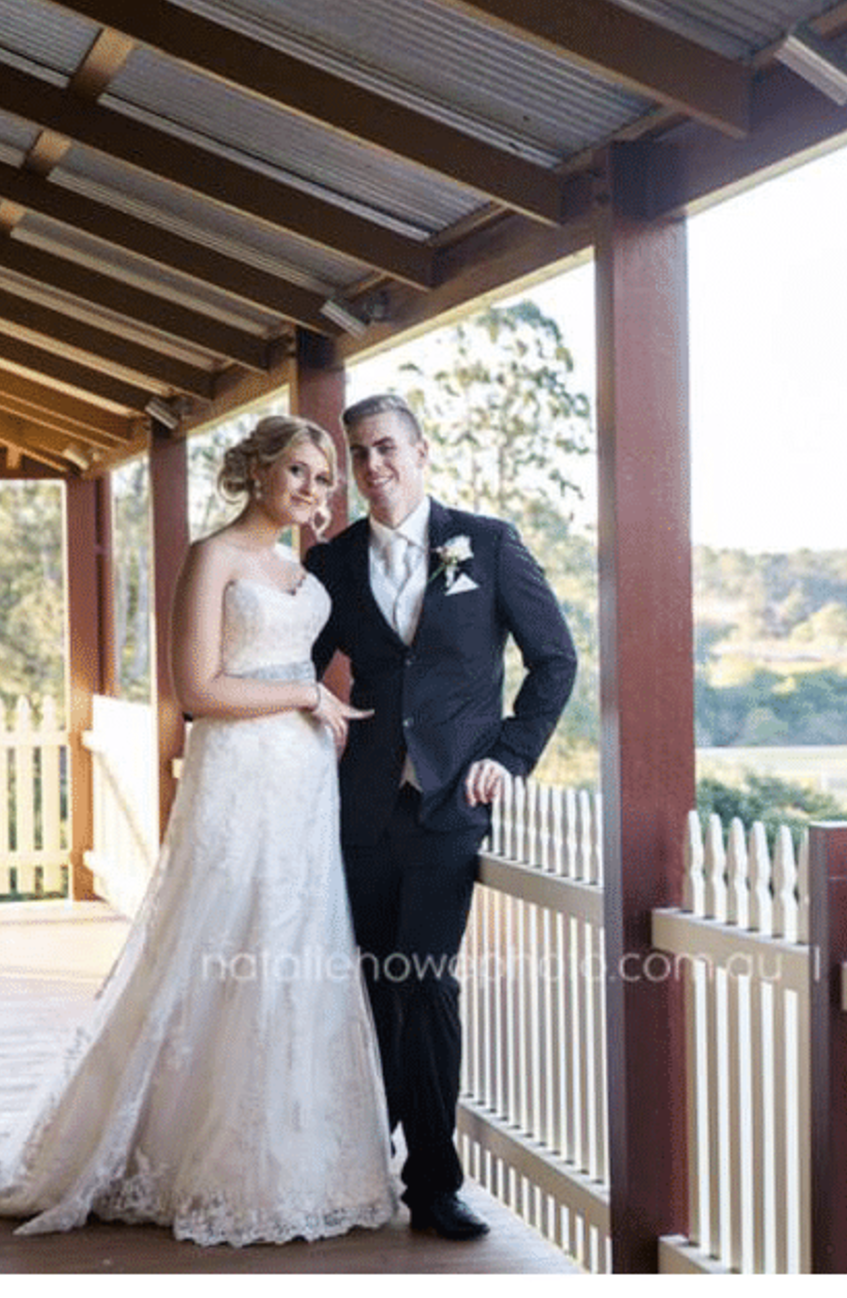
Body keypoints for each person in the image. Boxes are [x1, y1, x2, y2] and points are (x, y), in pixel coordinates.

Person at [0, 415, 398, 1246]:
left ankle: (298, 1158)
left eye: (325, 479)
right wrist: (304, 696)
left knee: (295, 945)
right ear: (258, 470)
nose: (313, 490)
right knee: (218, 939)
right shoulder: (212, 556)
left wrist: (325, 707)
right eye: (298, 471)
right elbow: (198, 689)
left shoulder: (304, 565)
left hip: (303, 781)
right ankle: (188, 1152)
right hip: (240, 772)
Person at [304, 393, 577, 1242]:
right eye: (359, 453)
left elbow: (554, 661)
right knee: (373, 987)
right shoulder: (334, 563)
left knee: (425, 983)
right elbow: (297, 668)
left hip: (450, 807)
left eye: (386, 447)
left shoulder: (486, 544)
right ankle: (362, 1162)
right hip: (364, 811)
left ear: (422, 452)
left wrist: (509, 755)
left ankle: (432, 1184)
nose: (373, 465)